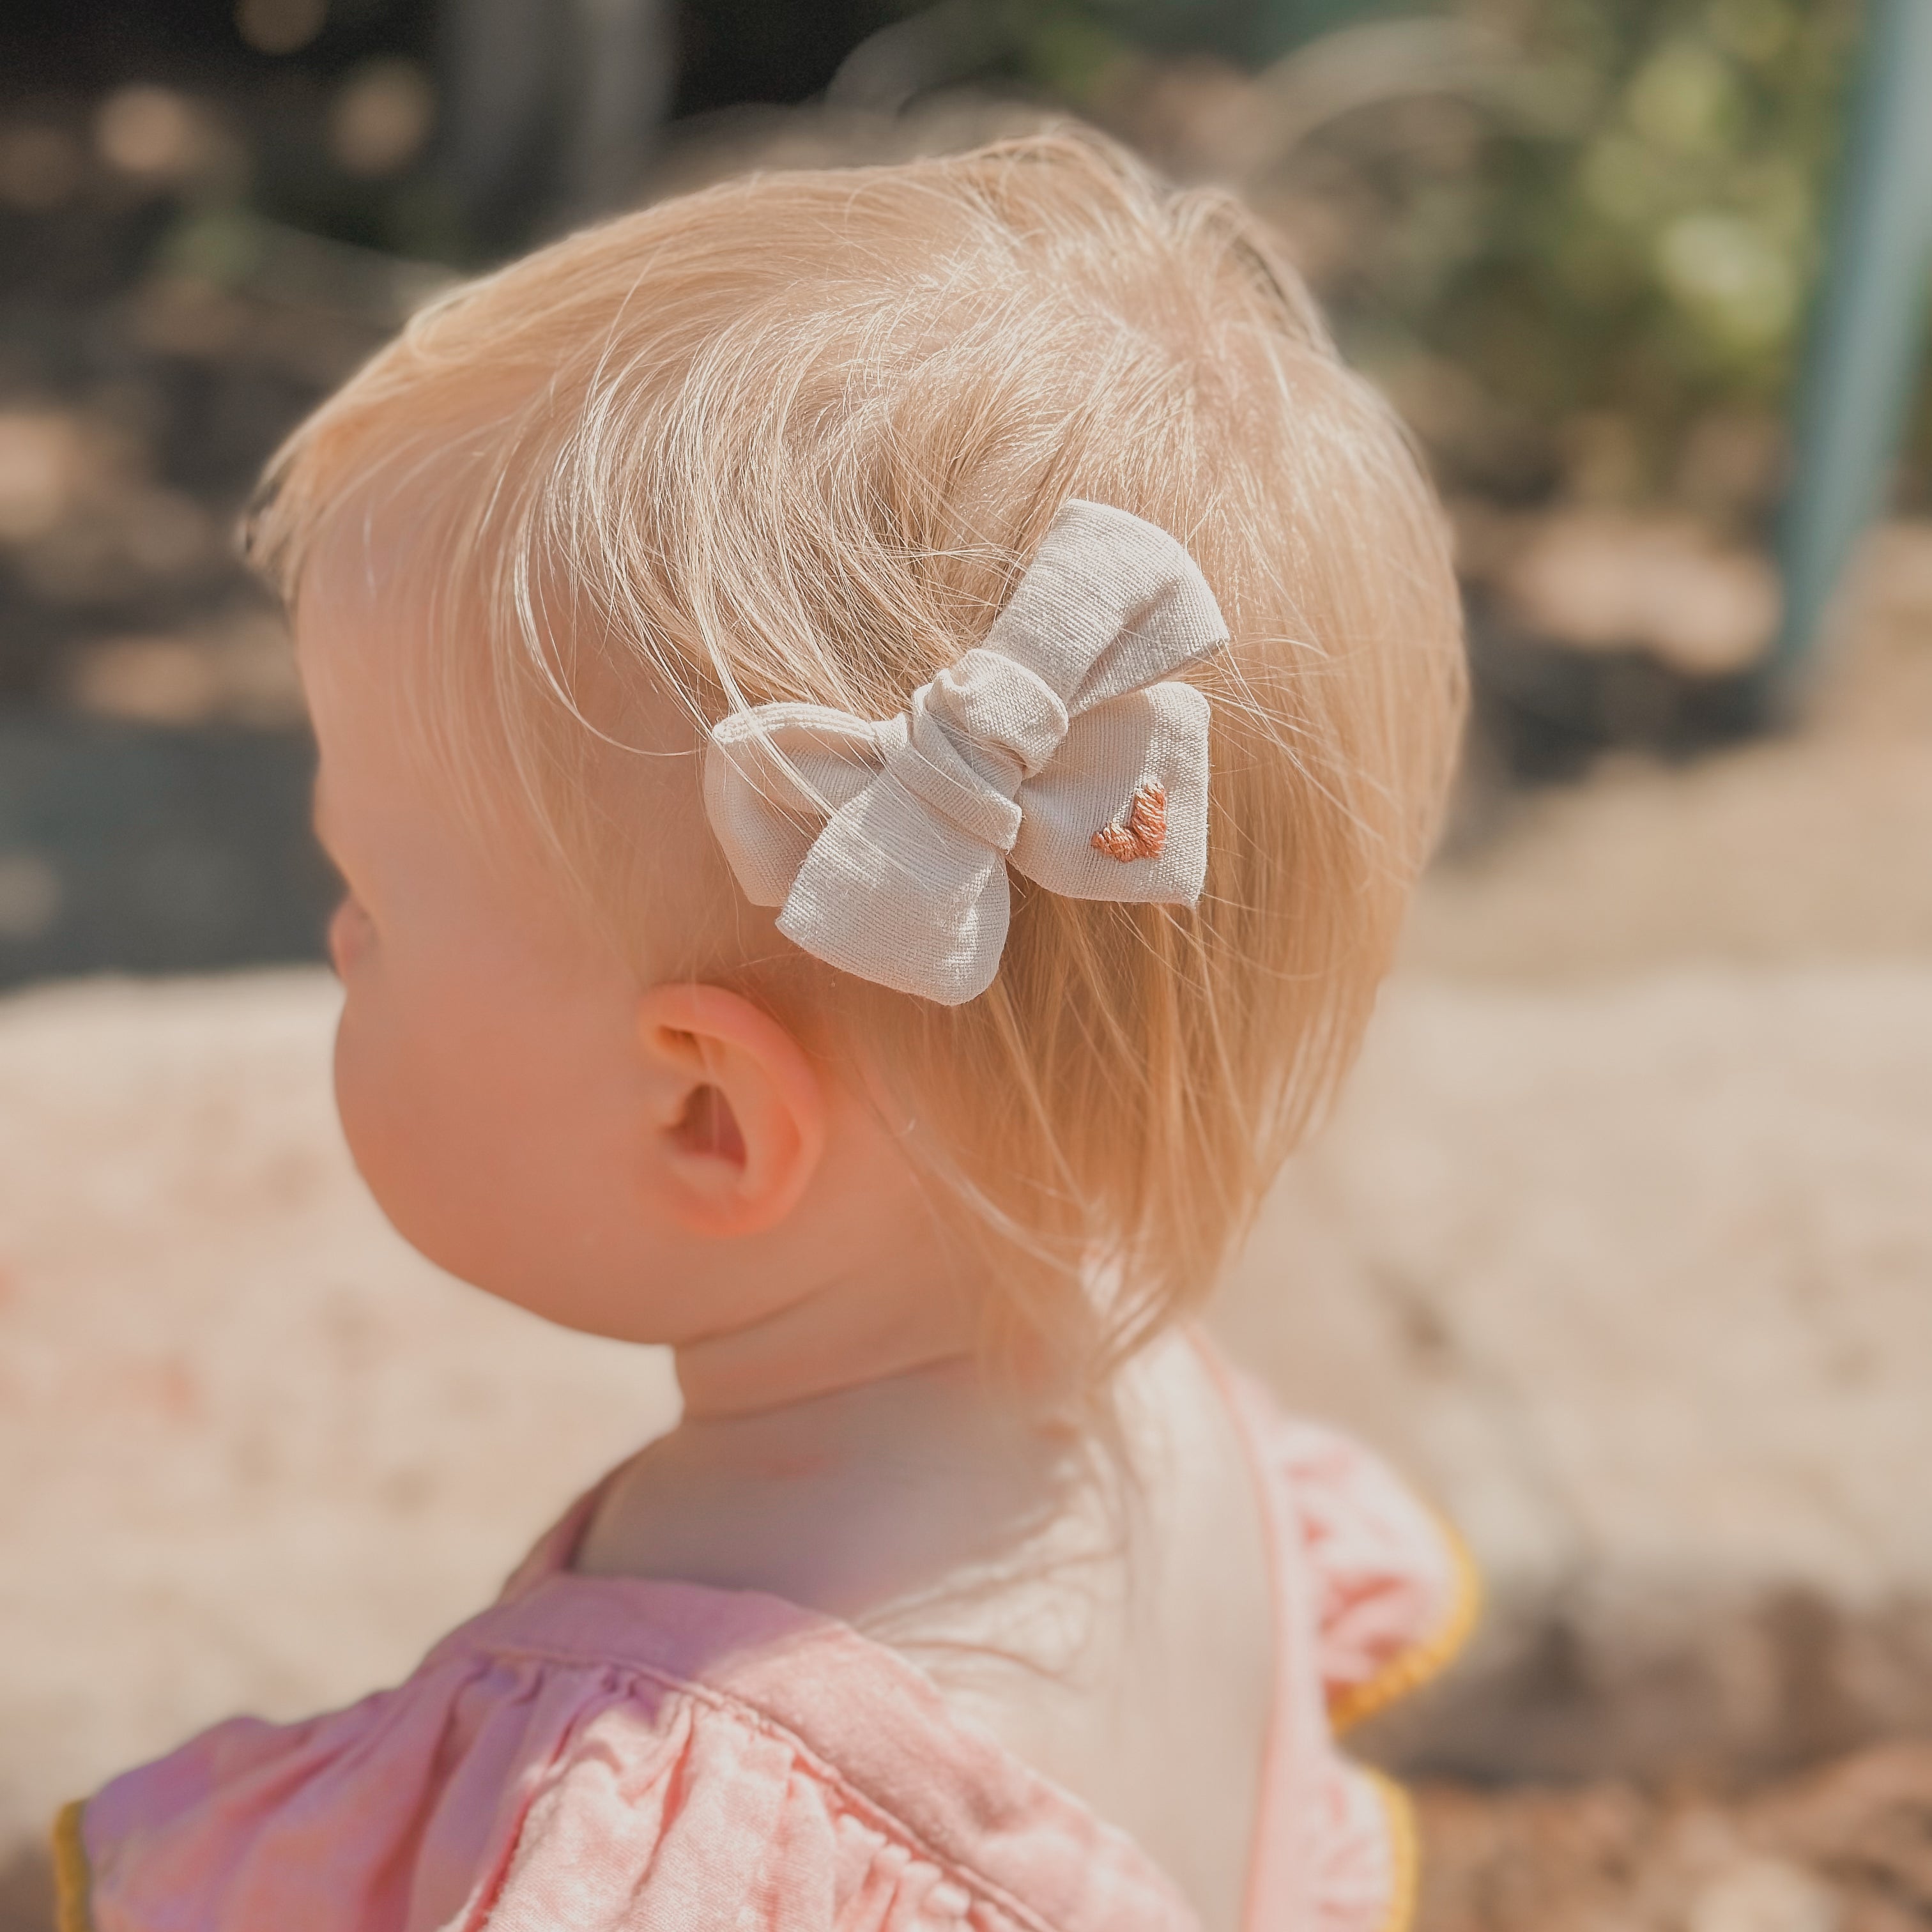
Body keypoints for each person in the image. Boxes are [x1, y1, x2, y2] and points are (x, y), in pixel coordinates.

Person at [56, 130, 1474, 1932]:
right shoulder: (1161, 1426)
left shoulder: (675, 1840)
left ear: (707, 1121)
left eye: (375, 913)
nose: (336, 935)